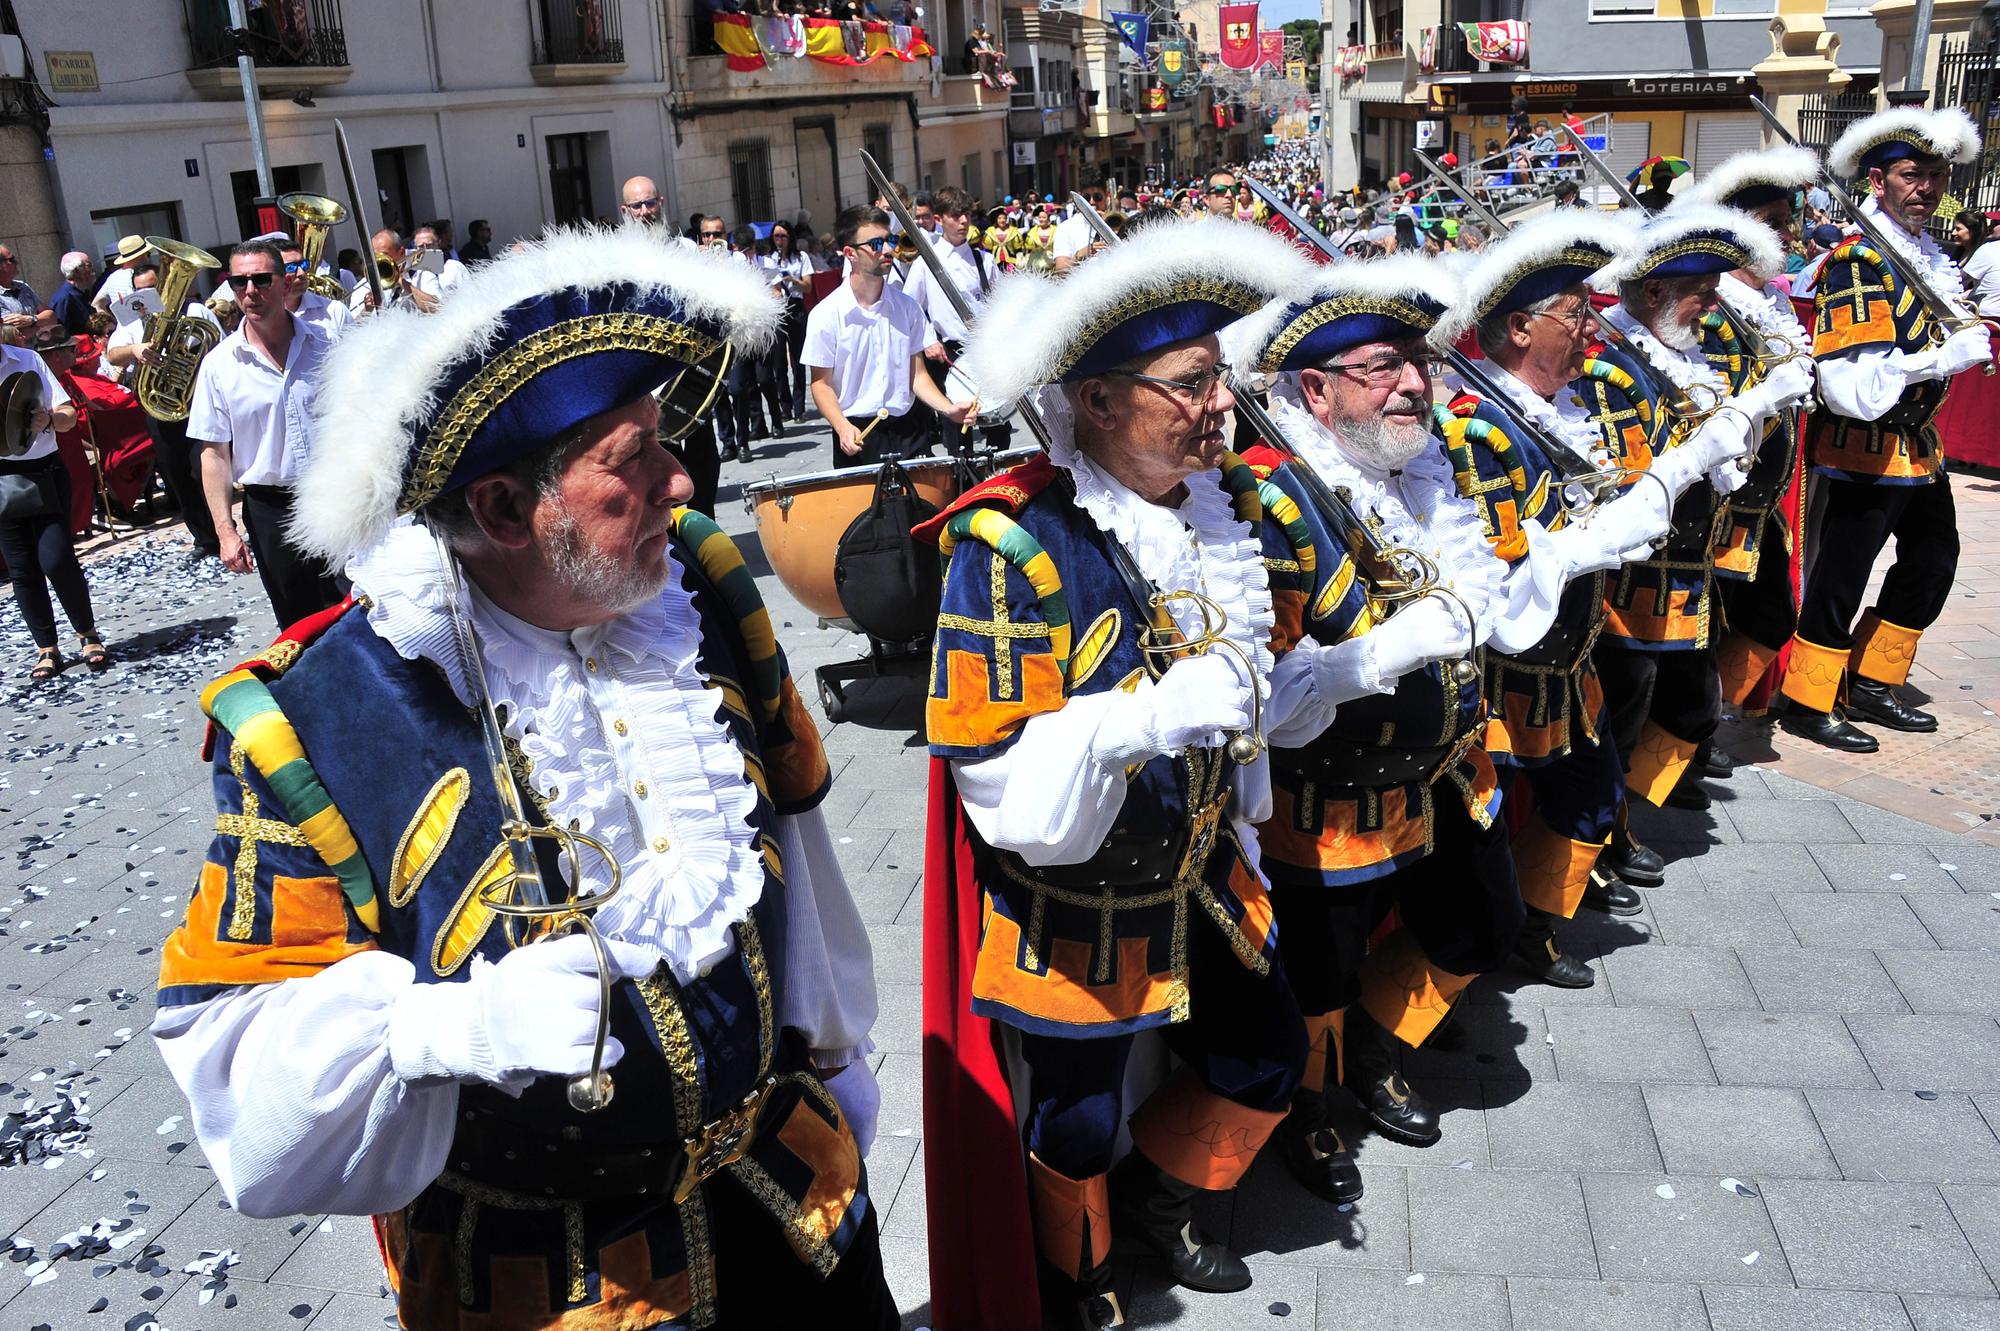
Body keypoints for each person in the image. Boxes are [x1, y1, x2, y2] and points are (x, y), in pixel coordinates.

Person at [154, 225, 894, 1329]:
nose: (679, 479)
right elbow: (238, 1081)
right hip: (548, 1281)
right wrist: (442, 1028)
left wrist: (835, 1056)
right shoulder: (312, 718)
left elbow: (796, 846)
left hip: (794, 1202)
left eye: (662, 440)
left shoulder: (694, 579)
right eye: (629, 457)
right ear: (502, 511)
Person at [924, 217, 1317, 1328]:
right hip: (1074, 900)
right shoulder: (1010, 545)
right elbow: (989, 768)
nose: (1218, 406)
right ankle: (1074, 1267)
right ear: (1096, 401)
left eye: (1217, 379)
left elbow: (1263, 694)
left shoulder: (1224, 511)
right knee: (1076, 1118)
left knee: (1265, 1051)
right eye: (1189, 385)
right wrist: (1134, 720)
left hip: (1207, 863)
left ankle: (1159, 1197)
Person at [1438, 213, 1740, 968]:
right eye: (1572, 312)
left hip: (1569, 664)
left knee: (1594, 797)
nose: (1589, 326)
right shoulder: (1480, 427)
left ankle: (1535, 928)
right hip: (1505, 680)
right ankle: (1399, 1019)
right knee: (1479, 842)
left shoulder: (1564, 408)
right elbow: (1509, 565)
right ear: (1517, 328)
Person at [1577, 209, 1809, 817]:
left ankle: (1638, 801)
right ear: (1654, 292)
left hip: (1692, 564)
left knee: (1691, 703)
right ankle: (1606, 835)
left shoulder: (1684, 352)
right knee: (1625, 705)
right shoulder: (1612, 369)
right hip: (1636, 579)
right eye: (1700, 294)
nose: (1712, 306)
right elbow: (1640, 479)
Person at [1777, 107, 1995, 750]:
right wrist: (1938, 357)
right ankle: (1808, 697)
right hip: (1861, 449)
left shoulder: (1924, 256)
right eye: (1911, 174)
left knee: (1934, 560)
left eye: (1935, 174)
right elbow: (1848, 386)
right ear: (1877, 181)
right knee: (1842, 576)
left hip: (1919, 446)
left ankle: (1872, 680)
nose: (1926, 187)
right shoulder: (1859, 262)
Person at [1676, 148, 1823, 735]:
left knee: (1767, 618)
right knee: (1704, 628)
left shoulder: (1772, 303)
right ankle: (1686, 740)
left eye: (1789, 220)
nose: (1788, 233)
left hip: (1764, 504)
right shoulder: (1712, 312)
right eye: (1772, 220)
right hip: (1719, 505)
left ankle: (1704, 721)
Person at [188, 240, 344, 628]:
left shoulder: (327, 345)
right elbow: (214, 453)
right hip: (271, 508)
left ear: (285, 283)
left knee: (358, 608)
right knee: (298, 627)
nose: (250, 292)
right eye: (239, 282)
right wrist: (225, 531)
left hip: (336, 496)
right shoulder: (219, 366)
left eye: (260, 279)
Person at [802, 204, 970, 467]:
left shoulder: (907, 307)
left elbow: (917, 375)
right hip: (858, 433)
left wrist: (948, 408)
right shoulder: (825, 314)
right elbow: (820, 384)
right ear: (850, 253)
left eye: (890, 240)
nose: (889, 250)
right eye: (876, 244)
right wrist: (842, 426)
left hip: (910, 430)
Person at [103, 254, 226, 558]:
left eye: (155, 289)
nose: (151, 298)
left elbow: (220, 347)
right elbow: (112, 354)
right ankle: (204, 539)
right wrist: (135, 349)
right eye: (143, 291)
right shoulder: (133, 321)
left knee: (203, 471)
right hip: (160, 408)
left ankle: (225, 531)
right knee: (178, 475)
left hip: (198, 403)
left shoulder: (195, 310)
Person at [0, 327, 105, 680]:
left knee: (56, 557)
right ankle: (47, 647)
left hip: (44, 471)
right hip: (1, 478)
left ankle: (87, 633)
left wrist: (47, 419)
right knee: (22, 568)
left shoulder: (27, 360)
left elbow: (68, 416)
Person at [900, 186, 1012, 454]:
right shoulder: (925, 262)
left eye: (967, 215)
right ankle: (963, 484)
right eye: (956, 215)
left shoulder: (983, 260)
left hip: (983, 350)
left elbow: (1001, 305)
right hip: (947, 351)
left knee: (997, 425)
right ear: (939, 219)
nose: (964, 221)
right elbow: (909, 308)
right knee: (956, 433)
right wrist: (928, 339)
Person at [759, 218, 816, 421]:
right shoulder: (768, 259)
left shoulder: (800, 258)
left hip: (796, 306)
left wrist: (793, 281)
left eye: (783, 236)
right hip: (778, 309)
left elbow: (808, 287)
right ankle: (785, 406)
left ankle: (799, 408)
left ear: (789, 237)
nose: (779, 240)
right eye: (776, 236)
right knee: (779, 362)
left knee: (798, 359)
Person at [349, 229, 441, 316]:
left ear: (401, 252)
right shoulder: (363, 287)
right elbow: (353, 327)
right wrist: (366, 311)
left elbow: (438, 309)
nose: (379, 261)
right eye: (375, 257)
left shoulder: (422, 276)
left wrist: (403, 283)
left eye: (385, 255)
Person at [277, 238, 355, 341]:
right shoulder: (264, 317)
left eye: (303, 264)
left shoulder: (335, 311)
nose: (301, 273)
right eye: (291, 267)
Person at [92, 235, 150, 318]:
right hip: (142, 328)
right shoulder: (140, 277)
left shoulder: (112, 277)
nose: (147, 259)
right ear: (141, 255)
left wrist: (114, 323)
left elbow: (97, 304)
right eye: (148, 254)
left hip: (123, 329)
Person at [1957, 211, 2000, 316]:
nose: (1989, 226)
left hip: (1986, 320)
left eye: (1995, 223)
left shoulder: (1990, 249)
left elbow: (1957, 281)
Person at [411, 225, 470, 297]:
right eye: (421, 246)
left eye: (429, 245)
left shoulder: (454, 266)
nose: (425, 249)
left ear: (438, 243)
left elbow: (469, 294)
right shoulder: (417, 277)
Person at [0, 243, 41, 344]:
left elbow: (51, 315)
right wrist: (41, 324)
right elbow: (10, 337)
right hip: (16, 357)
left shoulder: (22, 286)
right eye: (12, 259)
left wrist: (31, 320)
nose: (16, 262)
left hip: (38, 353)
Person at [51, 251, 96, 336]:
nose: (93, 270)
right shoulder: (64, 298)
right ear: (77, 271)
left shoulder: (84, 293)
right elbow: (60, 333)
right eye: (89, 265)